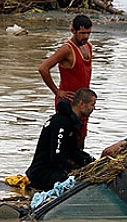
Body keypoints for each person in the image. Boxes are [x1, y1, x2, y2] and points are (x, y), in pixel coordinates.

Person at [26, 88, 97, 191]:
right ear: (82, 104)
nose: (93, 108)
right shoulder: (61, 122)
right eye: (92, 104)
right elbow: (56, 156)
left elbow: (73, 152)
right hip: (41, 173)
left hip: (52, 169)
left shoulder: (72, 122)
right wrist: (74, 170)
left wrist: (91, 162)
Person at [38, 14, 93, 149]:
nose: (85, 36)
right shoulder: (66, 49)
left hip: (84, 102)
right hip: (68, 103)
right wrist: (57, 91)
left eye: (88, 33)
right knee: (67, 139)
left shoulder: (88, 46)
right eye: (82, 33)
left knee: (82, 136)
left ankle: (80, 167)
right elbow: (43, 68)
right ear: (73, 31)